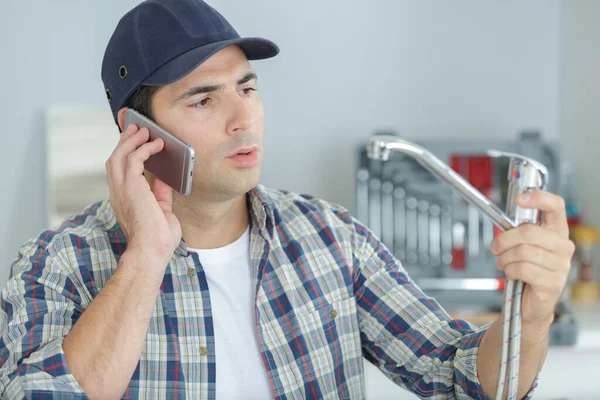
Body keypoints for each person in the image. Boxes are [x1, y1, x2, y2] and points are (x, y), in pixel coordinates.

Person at [0, 0, 574, 399]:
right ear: (136, 131)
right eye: (203, 100)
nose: (242, 118)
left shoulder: (332, 238)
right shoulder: (57, 265)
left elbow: (464, 379)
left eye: (247, 88)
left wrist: (533, 308)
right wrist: (146, 257)